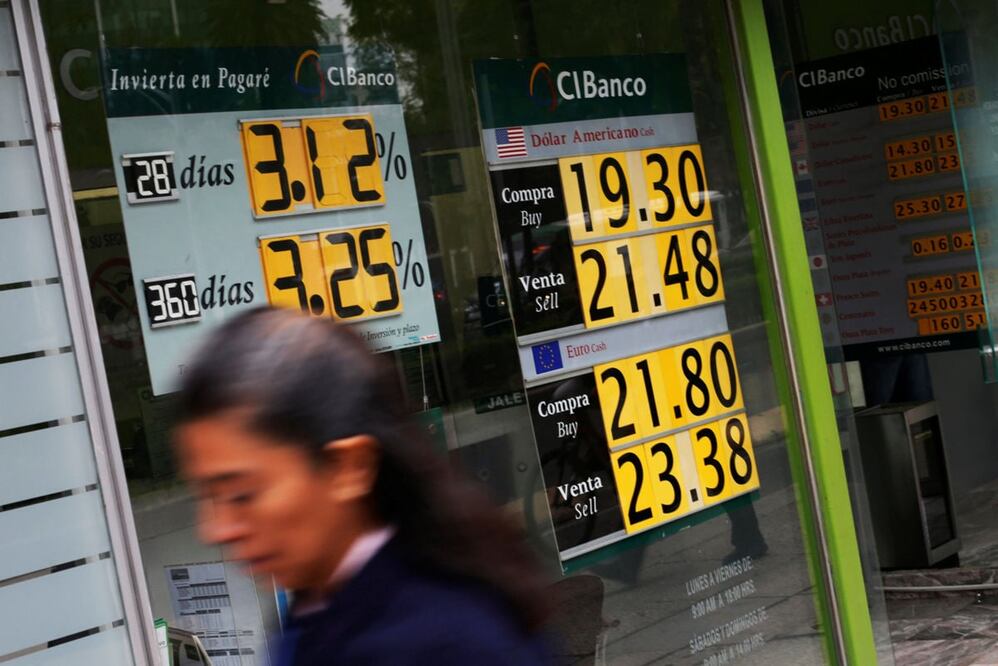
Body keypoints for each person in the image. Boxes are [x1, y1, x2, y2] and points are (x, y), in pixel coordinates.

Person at [174, 307, 553, 665]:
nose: (216, 528)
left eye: (242, 493)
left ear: (347, 467)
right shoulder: (321, 603)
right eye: (207, 494)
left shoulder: (455, 642)